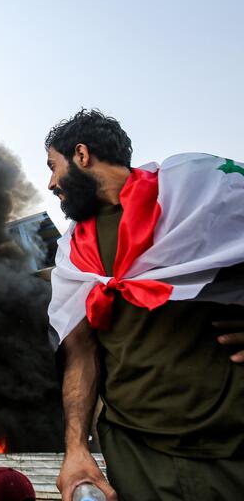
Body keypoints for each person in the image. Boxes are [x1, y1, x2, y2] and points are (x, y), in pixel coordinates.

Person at [46, 110, 244, 501]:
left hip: (231, 445)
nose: (51, 183)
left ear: (81, 155)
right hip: (136, 456)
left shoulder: (194, 198)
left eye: (53, 166)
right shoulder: (73, 253)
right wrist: (76, 449)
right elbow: (81, 353)